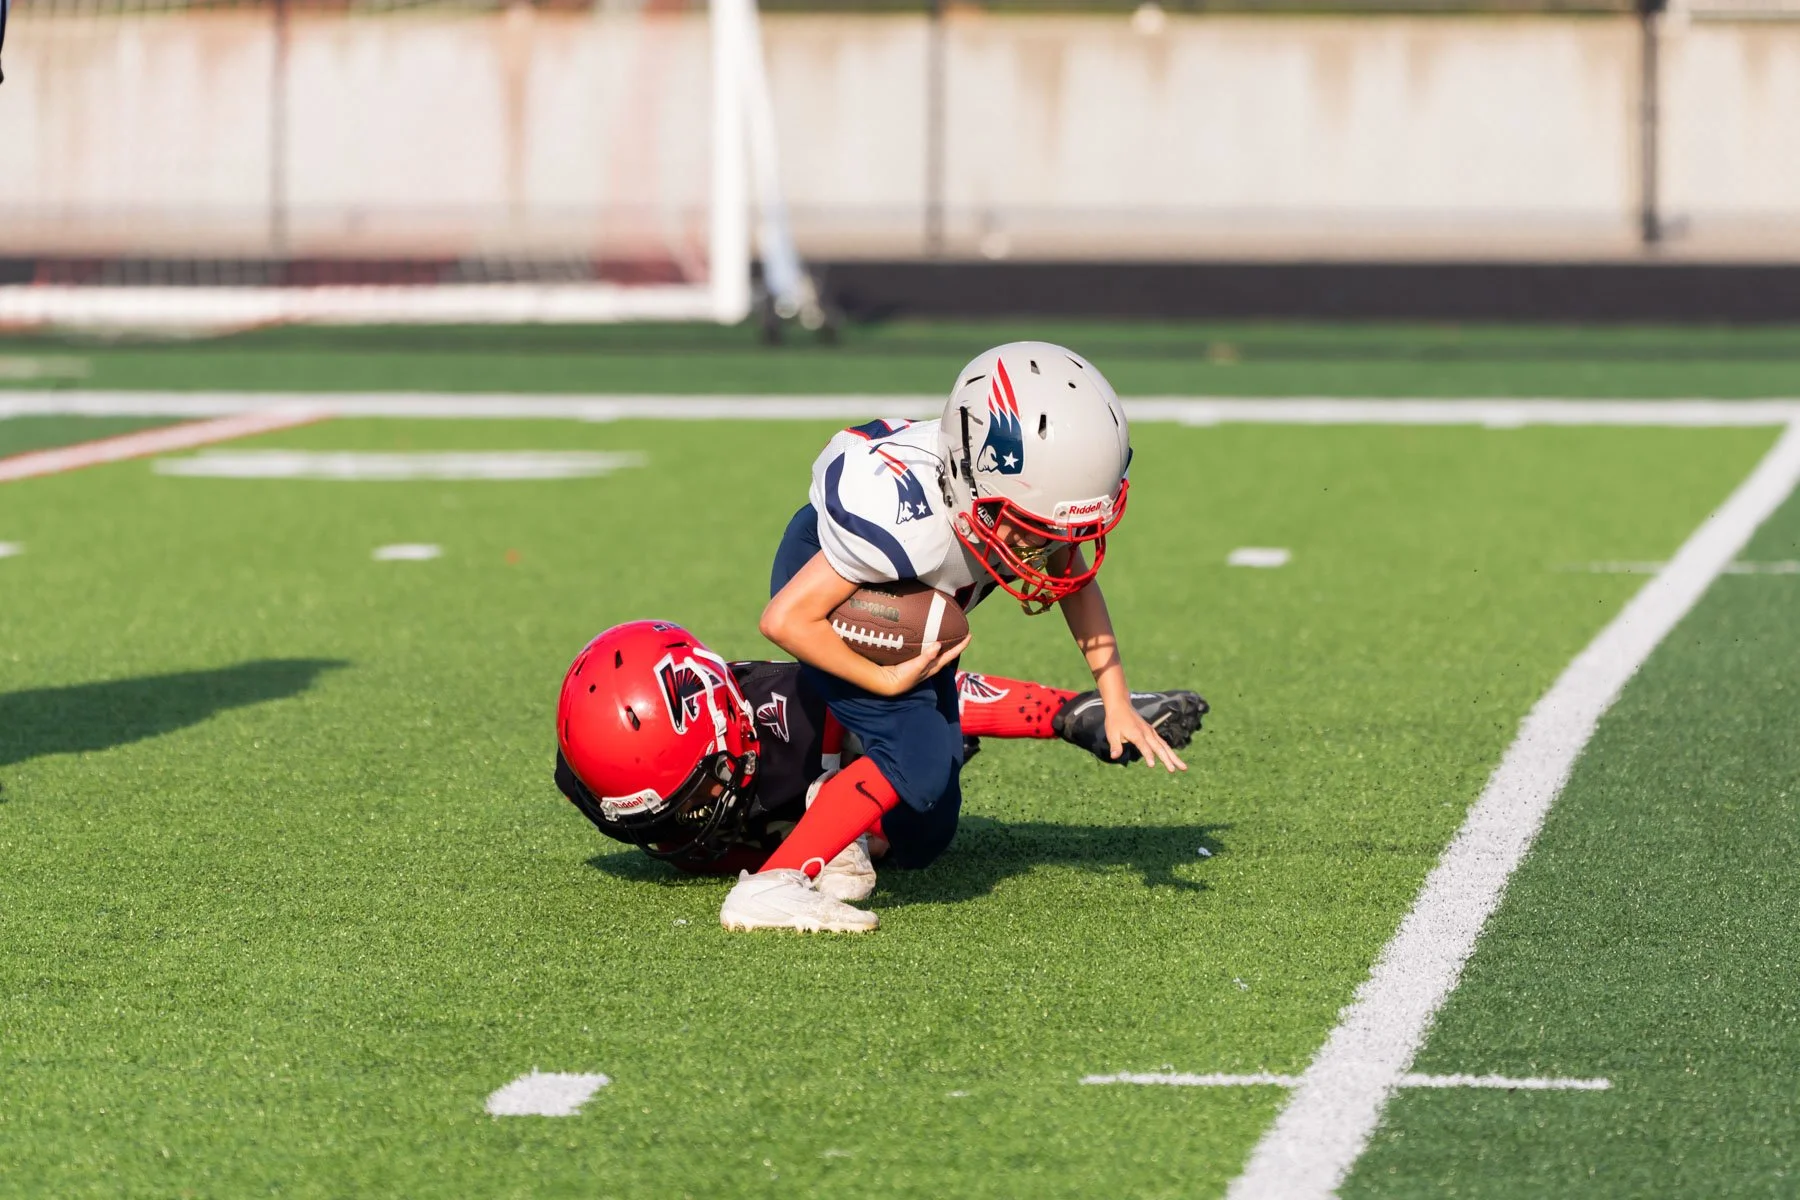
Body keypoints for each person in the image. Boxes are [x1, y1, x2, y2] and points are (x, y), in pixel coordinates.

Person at [721, 341, 1190, 933]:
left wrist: (1116, 698)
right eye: (1032, 532)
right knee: (915, 764)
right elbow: (785, 619)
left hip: (910, 597)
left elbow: (1072, 577)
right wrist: (881, 678)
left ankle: (840, 801)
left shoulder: (1011, 497)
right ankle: (772, 884)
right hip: (833, 587)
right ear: (972, 481)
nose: (1045, 550)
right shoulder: (906, 526)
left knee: (923, 835)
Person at [555, 620, 1206, 891]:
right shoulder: (612, 770)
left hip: (866, 765)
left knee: (912, 807)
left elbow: (916, 701)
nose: (686, 823)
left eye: (697, 797)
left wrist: (1065, 714)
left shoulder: (791, 718)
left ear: (732, 727)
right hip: (798, 821)